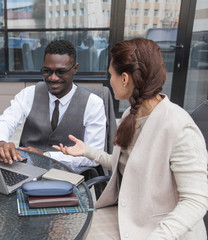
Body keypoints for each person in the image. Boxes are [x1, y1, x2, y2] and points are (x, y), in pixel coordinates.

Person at [53, 38, 208, 239]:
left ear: (124, 79)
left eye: (111, 75)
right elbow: (128, 165)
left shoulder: (179, 127)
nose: (109, 81)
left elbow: (196, 200)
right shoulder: (131, 115)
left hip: (158, 229)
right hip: (128, 216)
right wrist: (87, 151)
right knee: (59, 228)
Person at [0, 39, 106, 173]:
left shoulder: (93, 104)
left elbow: (93, 156)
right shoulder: (29, 94)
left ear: (75, 69)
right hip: (27, 169)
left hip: (67, 174)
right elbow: (5, 121)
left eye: (60, 72)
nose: (53, 78)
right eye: (47, 71)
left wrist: (46, 156)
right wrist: (1, 143)